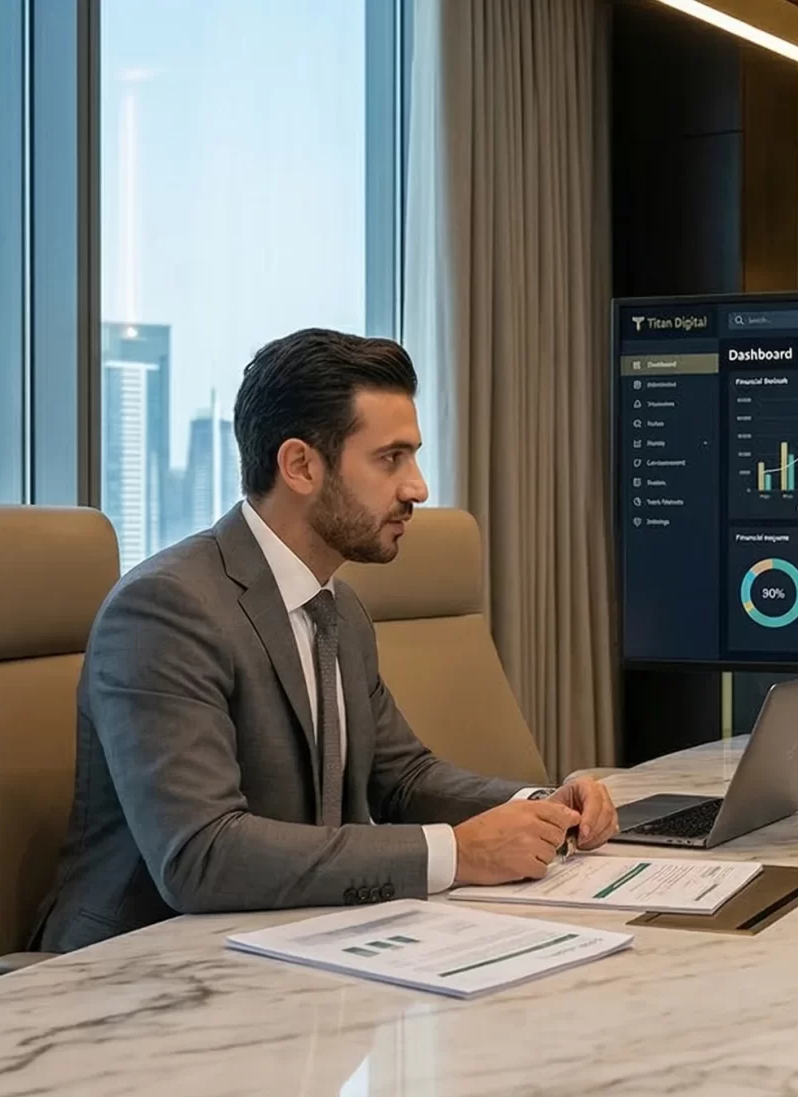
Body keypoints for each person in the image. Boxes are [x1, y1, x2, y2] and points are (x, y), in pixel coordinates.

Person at [33, 328, 617, 954]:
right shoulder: (167, 610)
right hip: (137, 973)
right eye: (390, 459)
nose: (417, 487)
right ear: (301, 466)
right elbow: (201, 855)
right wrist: (457, 852)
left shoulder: (336, 604)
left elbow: (400, 776)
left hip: (292, 945)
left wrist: (538, 807)